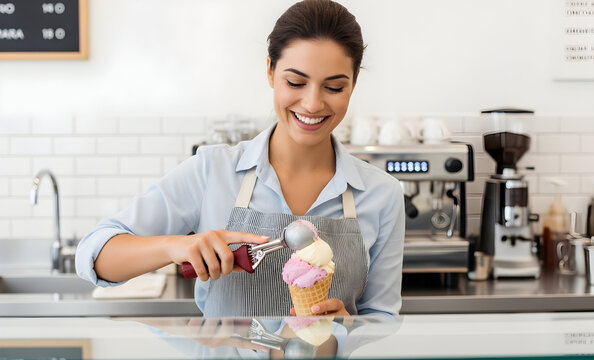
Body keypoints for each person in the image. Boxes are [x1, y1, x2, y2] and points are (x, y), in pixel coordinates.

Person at [76, 0, 405, 317]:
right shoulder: (212, 172)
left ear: (354, 82)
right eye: (295, 82)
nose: (313, 103)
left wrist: (345, 330)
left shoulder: (382, 194)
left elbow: (382, 320)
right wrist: (173, 247)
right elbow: (94, 255)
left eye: (334, 87)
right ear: (270, 71)